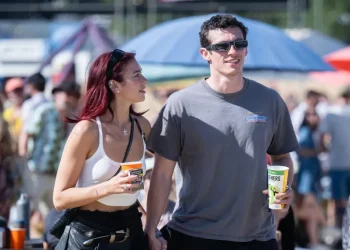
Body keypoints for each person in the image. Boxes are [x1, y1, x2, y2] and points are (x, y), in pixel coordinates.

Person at [145, 14, 298, 250]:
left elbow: (282, 157)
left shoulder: (270, 100)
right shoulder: (180, 104)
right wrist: (151, 229)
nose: (232, 51)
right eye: (222, 46)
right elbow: (162, 175)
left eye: (239, 44)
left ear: (246, 50)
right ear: (205, 53)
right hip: (193, 235)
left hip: (257, 237)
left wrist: (284, 189)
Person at [53, 49, 151, 250]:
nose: (145, 81)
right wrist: (107, 187)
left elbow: (165, 168)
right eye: (137, 75)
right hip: (89, 238)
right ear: (114, 85)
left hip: (131, 233)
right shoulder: (87, 130)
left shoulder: (142, 126)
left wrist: (153, 228)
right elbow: (59, 198)